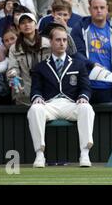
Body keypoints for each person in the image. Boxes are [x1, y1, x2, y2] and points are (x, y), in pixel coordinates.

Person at [28, 26, 95, 168]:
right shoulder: (40, 67)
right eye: (58, 40)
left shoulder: (79, 64)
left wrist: (83, 96)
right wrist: (37, 97)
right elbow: (35, 89)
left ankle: (84, 153)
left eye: (64, 40)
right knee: (34, 110)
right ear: (51, 42)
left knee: (86, 108)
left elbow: (86, 87)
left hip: (71, 104)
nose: (62, 43)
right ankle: (40, 155)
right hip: (49, 105)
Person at [71, 0, 112, 103]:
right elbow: (75, 53)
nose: (99, 10)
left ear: (107, 9)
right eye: (95, 8)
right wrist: (91, 64)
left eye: (102, 8)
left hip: (108, 86)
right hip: (85, 85)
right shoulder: (80, 27)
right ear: (89, 9)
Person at [7, 12, 51, 105]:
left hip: (47, 94)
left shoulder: (49, 44)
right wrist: (13, 77)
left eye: (30, 21)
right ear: (19, 28)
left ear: (35, 25)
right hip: (24, 96)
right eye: (23, 23)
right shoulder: (14, 48)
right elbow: (12, 68)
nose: (27, 24)